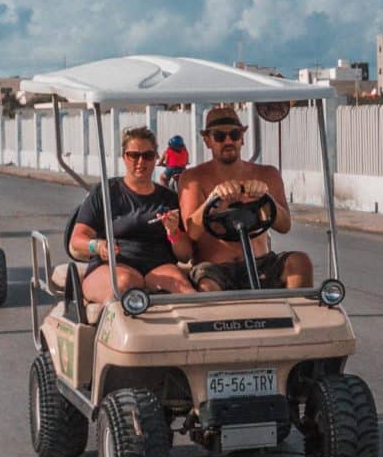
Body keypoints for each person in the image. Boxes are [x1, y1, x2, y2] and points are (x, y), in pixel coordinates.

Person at [176, 105, 312, 291]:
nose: (228, 141)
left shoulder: (267, 174)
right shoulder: (193, 178)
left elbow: (284, 225)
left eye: (234, 134)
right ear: (207, 141)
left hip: (261, 263)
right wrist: (213, 201)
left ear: (243, 139)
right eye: (219, 136)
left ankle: (298, 316)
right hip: (214, 269)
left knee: (300, 262)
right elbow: (192, 232)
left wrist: (266, 198)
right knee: (207, 286)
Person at [70, 125, 197, 307]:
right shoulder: (105, 193)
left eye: (148, 155)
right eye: (134, 155)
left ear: (155, 159)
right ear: (124, 157)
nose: (141, 162)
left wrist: (173, 231)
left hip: (158, 265)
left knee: (186, 292)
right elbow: (76, 239)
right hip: (113, 265)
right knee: (124, 284)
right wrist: (97, 245)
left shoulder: (168, 198)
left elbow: (185, 255)